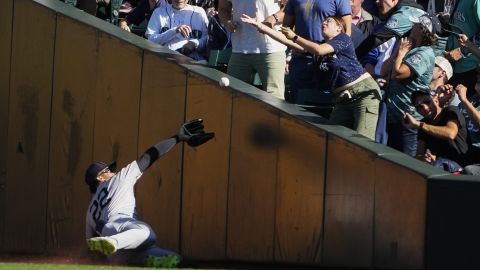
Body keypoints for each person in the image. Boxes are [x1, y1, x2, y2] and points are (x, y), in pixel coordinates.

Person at [85, 119, 214, 267]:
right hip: (119, 226)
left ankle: (145, 259)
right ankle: (113, 242)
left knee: (176, 259)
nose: (113, 172)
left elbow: (91, 244)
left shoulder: (89, 211)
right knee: (147, 233)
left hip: (119, 253)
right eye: (108, 170)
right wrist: (178, 138)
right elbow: (148, 156)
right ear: (99, 177)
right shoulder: (119, 179)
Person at [241, 15, 381, 140]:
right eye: (323, 21)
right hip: (342, 98)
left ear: (339, 27)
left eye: (329, 21)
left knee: (363, 141)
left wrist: (295, 36)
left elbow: (318, 50)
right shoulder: (318, 45)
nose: (324, 23)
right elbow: (287, 41)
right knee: (333, 139)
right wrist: (260, 26)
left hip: (364, 94)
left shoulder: (343, 39)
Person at [265, 0, 352, 104]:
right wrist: (294, 46)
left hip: (327, 61)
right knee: (299, 105)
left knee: (329, 104)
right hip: (301, 59)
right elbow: (286, 28)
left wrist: (330, 52)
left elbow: (346, 32)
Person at [380, 14, 437, 156]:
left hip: (406, 119)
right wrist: (397, 53)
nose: (412, 27)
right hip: (391, 115)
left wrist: (402, 52)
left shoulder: (424, 53)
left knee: (403, 164)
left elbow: (398, 73)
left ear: (422, 30)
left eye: (416, 25)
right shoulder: (409, 49)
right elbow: (383, 70)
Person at [217, 0, 287, 100]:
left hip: (271, 49)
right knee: (232, 96)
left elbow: (291, 8)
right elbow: (223, 8)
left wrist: (272, 19)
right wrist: (227, 22)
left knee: (274, 99)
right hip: (239, 49)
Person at [404, 90, 469, 172]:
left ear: (436, 99)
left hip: (462, 169)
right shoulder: (424, 124)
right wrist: (425, 159)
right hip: (440, 168)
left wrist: (420, 125)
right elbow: (419, 154)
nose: (425, 107)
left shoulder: (450, 111)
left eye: (427, 102)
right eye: (419, 107)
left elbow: (450, 133)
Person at [455, 83, 480, 175]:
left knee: (469, 171)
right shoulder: (471, 100)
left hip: (477, 153)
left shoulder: (465, 100)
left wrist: (464, 100)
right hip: (461, 150)